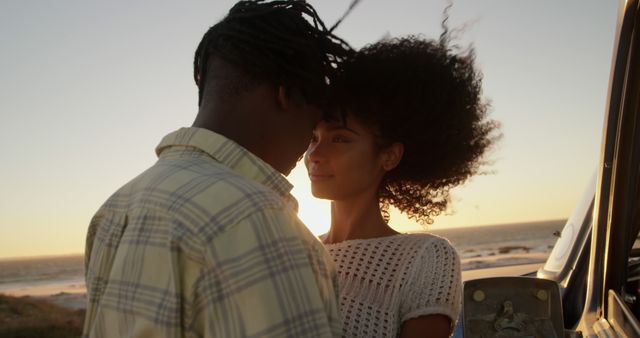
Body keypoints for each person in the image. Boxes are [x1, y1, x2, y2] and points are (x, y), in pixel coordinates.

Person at [83, 1, 352, 337]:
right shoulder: (258, 221)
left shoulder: (116, 207)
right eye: (311, 129)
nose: (308, 149)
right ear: (287, 95)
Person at [304, 35, 498, 338]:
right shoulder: (296, 249)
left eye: (339, 138)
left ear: (389, 156)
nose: (314, 155)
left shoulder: (425, 258)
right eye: (313, 138)